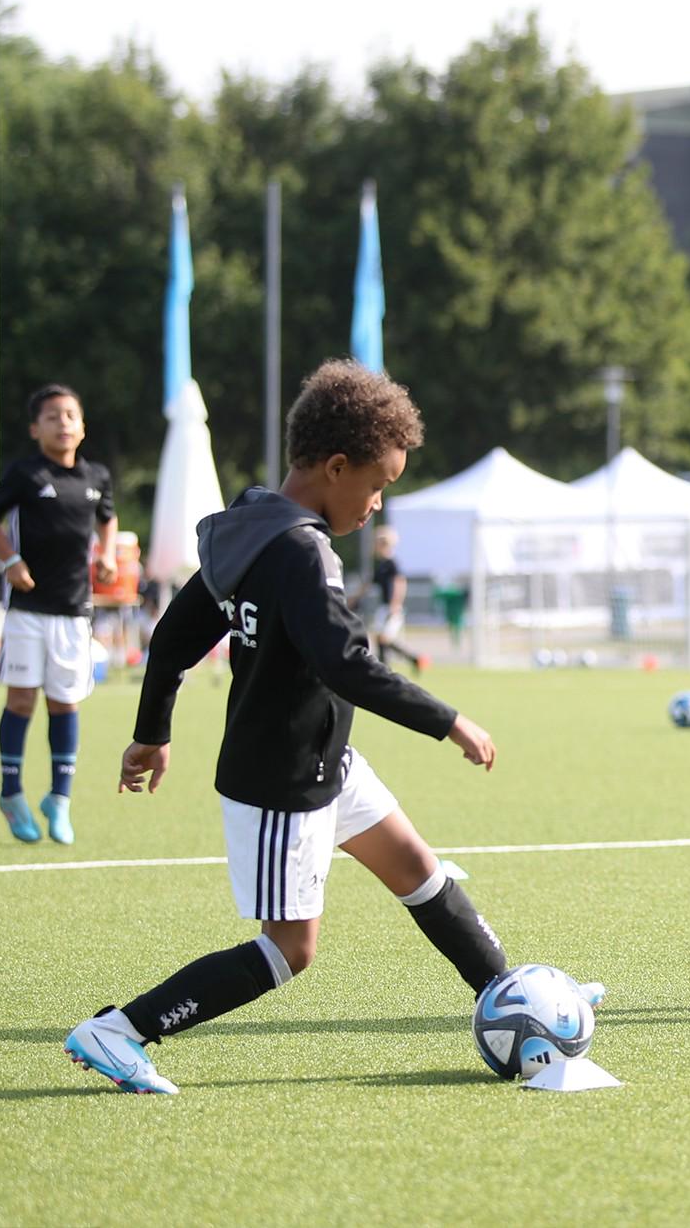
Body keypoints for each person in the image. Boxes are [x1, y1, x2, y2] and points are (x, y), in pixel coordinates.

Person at [63, 360, 516, 1095]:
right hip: (282, 780)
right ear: (336, 466)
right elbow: (345, 663)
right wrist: (449, 720)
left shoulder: (254, 527)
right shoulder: (302, 552)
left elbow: (175, 637)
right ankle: (119, 1030)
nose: (376, 504)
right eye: (376, 484)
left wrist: (153, 730)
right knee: (289, 951)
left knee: (418, 869)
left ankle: (511, 995)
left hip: (324, 759)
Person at [0, 384, 117, 845]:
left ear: (83, 426)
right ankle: (11, 792)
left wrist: (108, 554)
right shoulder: (26, 473)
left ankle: (59, 798)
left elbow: (107, 518)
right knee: (21, 701)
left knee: (65, 702)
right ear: (36, 429)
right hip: (28, 611)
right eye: (52, 416)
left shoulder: (97, 476)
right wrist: (9, 562)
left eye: (70, 415)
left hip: (75, 612)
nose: (63, 423)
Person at [369, 526, 428, 674]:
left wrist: (395, 604)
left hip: (391, 607)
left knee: (384, 638)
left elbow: (400, 582)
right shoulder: (381, 565)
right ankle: (400, 664)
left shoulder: (392, 564)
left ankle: (408, 661)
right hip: (383, 607)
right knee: (380, 638)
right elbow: (368, 583)